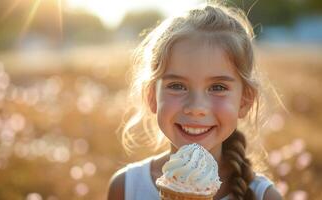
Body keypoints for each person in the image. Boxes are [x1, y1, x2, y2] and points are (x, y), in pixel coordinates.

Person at [108, 1, 283, 200]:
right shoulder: (126, 188)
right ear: (152, 96)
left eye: (218, 87)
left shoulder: (264, 196)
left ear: (244, 102)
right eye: (177, 86)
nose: (196, 108)